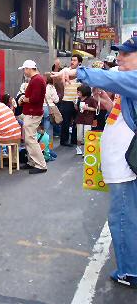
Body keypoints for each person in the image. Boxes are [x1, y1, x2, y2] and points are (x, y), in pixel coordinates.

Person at [52, 35, 137, 288]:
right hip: (122, 164)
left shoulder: (133, 79)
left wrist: (78, 72)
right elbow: (121, 114)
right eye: (119, 53)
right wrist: (104, 100)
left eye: (126, 54)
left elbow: (110, 77)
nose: (119, 58)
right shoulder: (128, 85)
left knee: (122, 216)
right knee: (126, 214)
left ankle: (130, 271)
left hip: (125, 166)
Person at [18, 60, 47, 174]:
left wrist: (24, 99)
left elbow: (35, 98)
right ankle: (32, 162)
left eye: (25, 69)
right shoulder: (37, 80)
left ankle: (40, 164)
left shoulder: (36, 80)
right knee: (29, 139)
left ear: (29, 69)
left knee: (30, 139)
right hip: (32, 112)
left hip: (32, 113)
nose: (24, 72)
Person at [60, 54, 83, 147]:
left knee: (77, 121)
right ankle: (64, 140)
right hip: (67, 100)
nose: (72, 62)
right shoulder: (66, 70)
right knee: (66, 121)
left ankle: (74, 139)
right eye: (72, 60)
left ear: (80, 62)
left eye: (75, 60)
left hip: (77, 100)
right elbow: (59, 75)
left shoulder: (81, 72)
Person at [75, 84, 97, 156]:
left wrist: (88, 108)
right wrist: (75, 104)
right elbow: (77, 109)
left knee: (86, 134)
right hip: (79, 118)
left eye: (79, 92)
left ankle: (86, 150)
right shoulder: (78, 99)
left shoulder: (91, 99)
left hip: (88, 119)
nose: (78, 93)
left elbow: (95, 109)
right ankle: (78, 148)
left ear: (84, 92)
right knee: (79, 135)